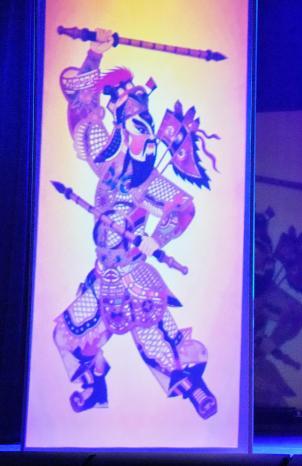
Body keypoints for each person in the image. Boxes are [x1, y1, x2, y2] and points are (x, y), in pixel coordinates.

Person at [52, 29, 217, 418]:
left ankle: (196, 390)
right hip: (103, 273)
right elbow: (81, 105)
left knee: (159, 344)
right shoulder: (106, 162)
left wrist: (156, 240)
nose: (144, 138)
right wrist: (95, 53)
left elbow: (183, 206)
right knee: (67, 333)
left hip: (134, 274)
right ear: (122, 130)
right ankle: (94, 386)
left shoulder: (150, 182)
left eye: (146, 126)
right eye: (135, 127)